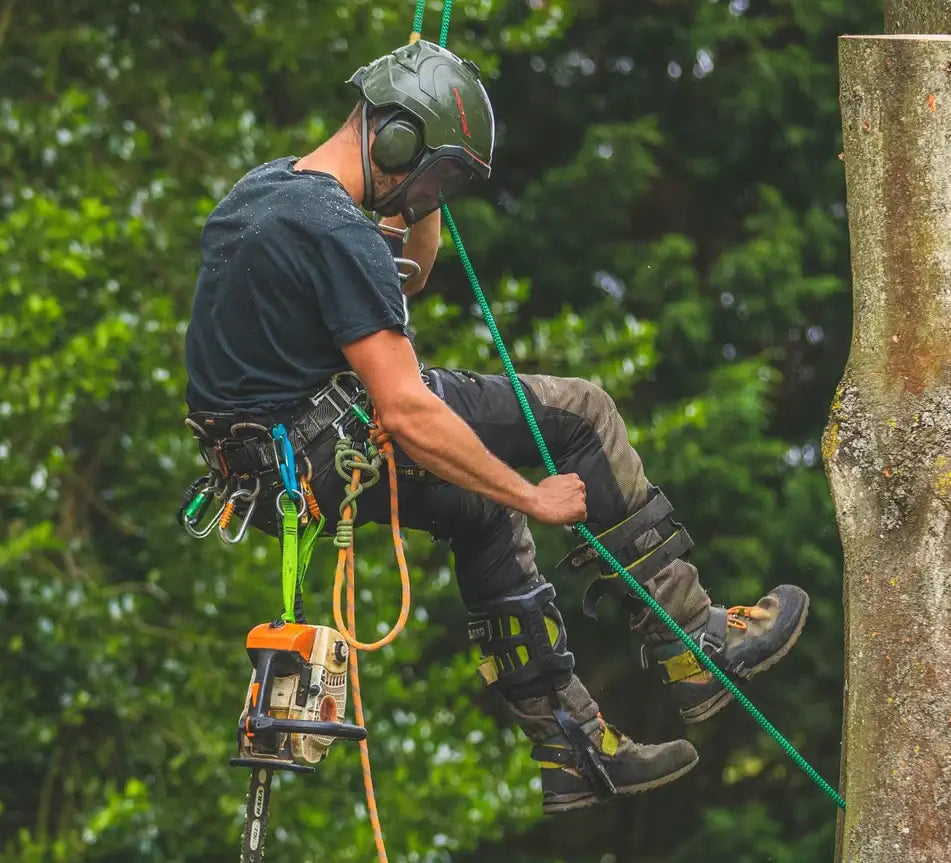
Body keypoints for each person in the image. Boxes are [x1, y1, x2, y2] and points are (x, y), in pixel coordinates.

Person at [182, 39, 810, 814]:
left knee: (478, 509)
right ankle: (696, 640)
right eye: (435, 173)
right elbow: (408, 411)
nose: (426, 197)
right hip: (329, 441)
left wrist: (419, 202)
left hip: (273, 465)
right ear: (395, 138)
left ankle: (572, 746)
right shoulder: (334, 230)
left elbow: (407, 271)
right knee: (582, 414)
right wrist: (536, 496)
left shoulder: (267, 193)